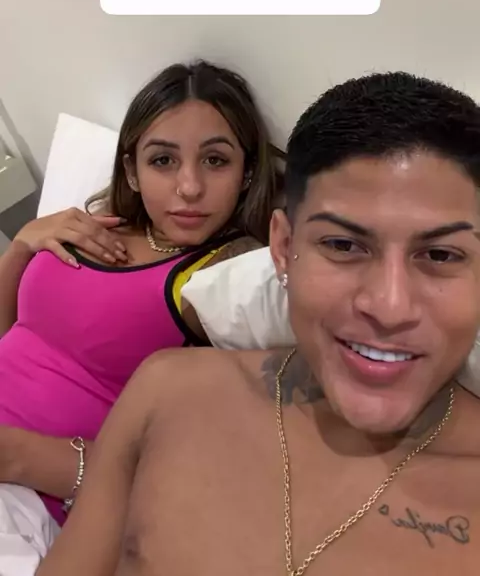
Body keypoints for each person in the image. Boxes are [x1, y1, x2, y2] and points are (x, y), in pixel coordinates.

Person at [38, 71, 480, 576]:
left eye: (441, 255)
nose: (389, 306)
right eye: (343, 245)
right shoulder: (168, 392)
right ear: (283, 248)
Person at [0, 59, 283, 572]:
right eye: (163, 160)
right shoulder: (94, 225)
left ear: (246, 174)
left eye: (215, 160)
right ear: (132, 170)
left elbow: (174, 473)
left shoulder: (219, 275)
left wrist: (16, 455)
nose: (189, 187)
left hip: (28, 500)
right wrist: (21, 245)